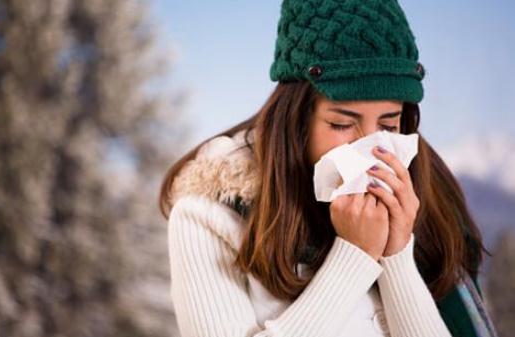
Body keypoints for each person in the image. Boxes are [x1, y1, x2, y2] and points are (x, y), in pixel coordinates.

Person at [160, 1, 498, 336]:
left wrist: (396, 255)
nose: (369, 149)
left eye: (389, 125)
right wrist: (355, 256)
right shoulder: (206, 216)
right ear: (296, 121)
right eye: (341, 124)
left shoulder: (431, 197)